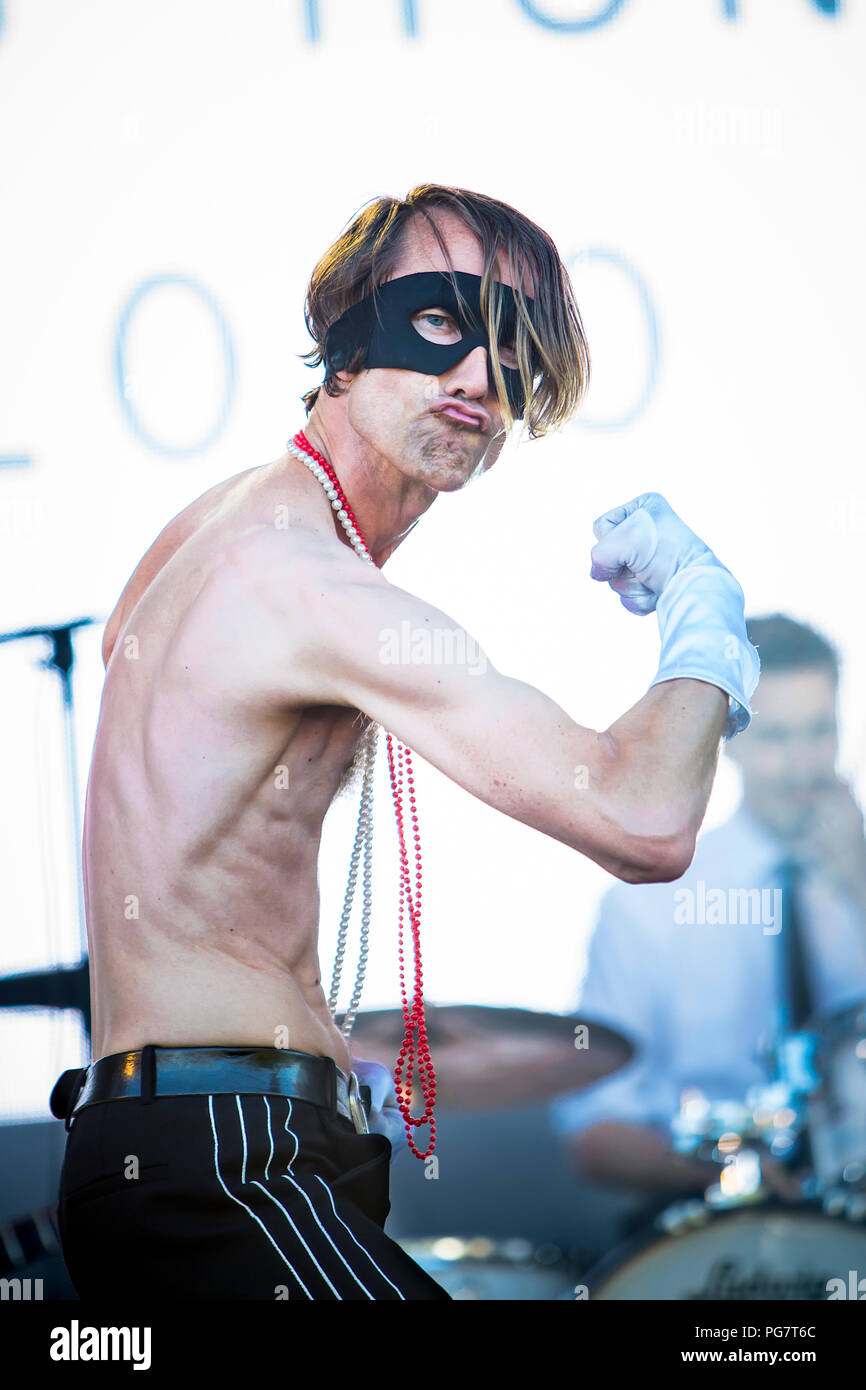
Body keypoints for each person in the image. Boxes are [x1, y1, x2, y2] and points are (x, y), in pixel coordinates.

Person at [50, 183, 760, 1300]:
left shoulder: (213, 529)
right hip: (226, 1159)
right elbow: (644, 818)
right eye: (437, 321)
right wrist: (705, 609)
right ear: (342, 335)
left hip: (177, 1149)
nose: (477, 377)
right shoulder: (304, 580)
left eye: (512, 348)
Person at [551, 614, 866, 1237]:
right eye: (777, 738)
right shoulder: (650, 902)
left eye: (819, 733)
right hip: (711, 1232)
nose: (804, 767)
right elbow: (594, 1134)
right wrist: (732, 1177)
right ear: (733, 735)